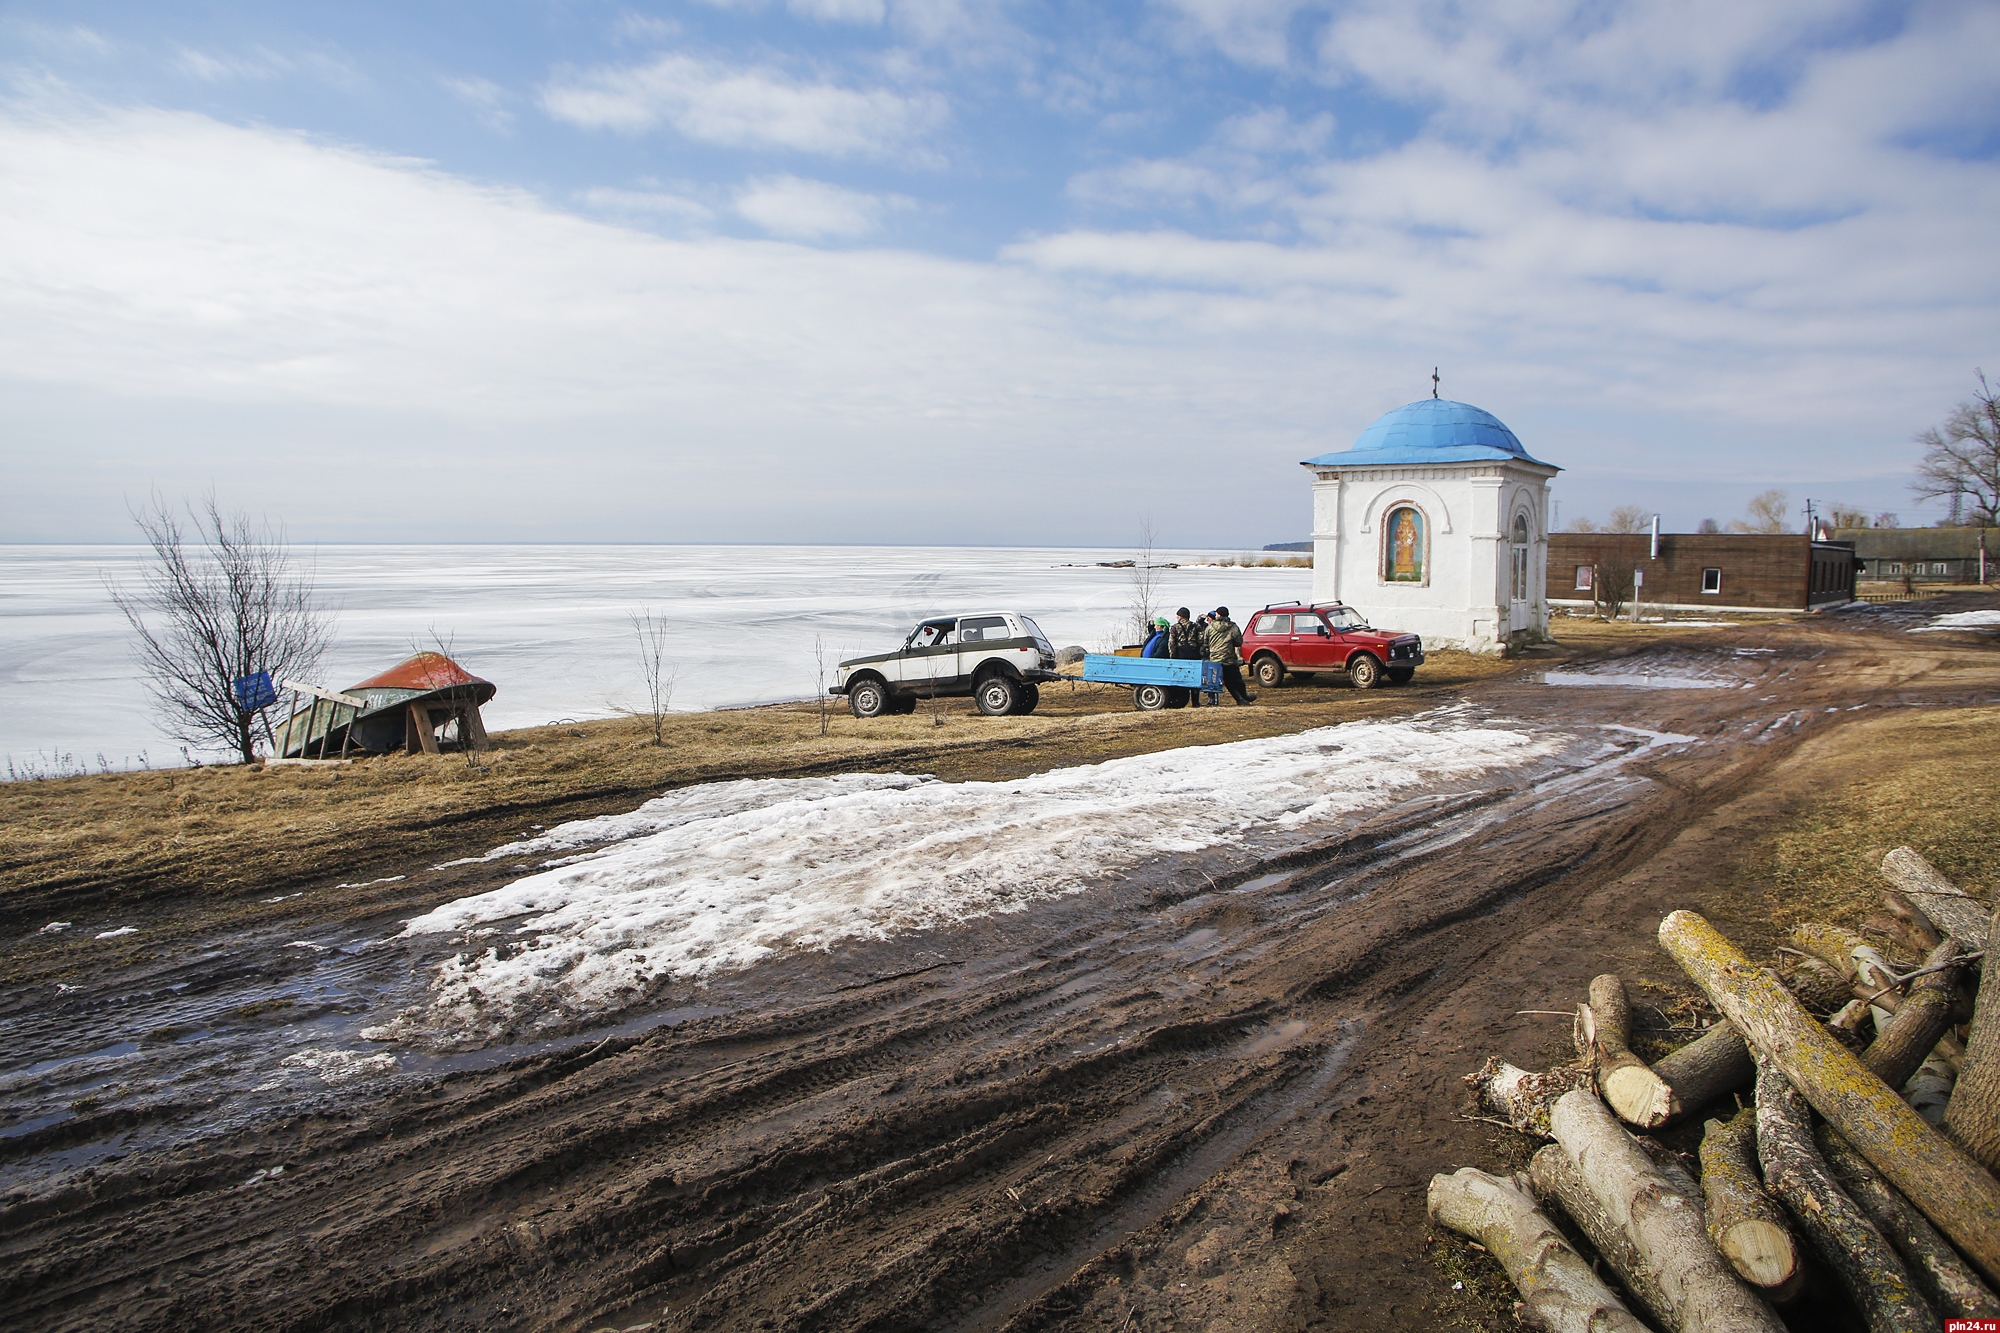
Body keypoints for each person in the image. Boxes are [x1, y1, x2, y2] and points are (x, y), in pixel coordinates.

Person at [1205, 605, 1256, 705]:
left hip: (1214, 660)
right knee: (1236, 679)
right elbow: (1238, 642)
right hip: (1229, 658)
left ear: (1218, 615)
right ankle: (1243, 696)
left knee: (1216, 681)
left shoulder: (1210, 627)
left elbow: (1205, 642)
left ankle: (1215, 701)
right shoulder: (1233, 626)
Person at [1167, 607, 1206, 705]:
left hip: (1181, 654)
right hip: (1194, 653)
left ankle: (1181, 700)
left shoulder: (1174, 627)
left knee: (1182, 676)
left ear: (1180, 616)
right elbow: (1202, 640)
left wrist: (1173, 656)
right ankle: (1195, 702)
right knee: (1194, 676)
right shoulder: (1196, 626)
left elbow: (1172, 643)